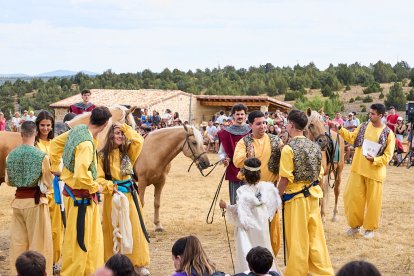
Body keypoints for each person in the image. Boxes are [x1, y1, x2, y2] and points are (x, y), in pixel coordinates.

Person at [49, 106, 112, 275]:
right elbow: (82, 176)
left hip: (74, 198)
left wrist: (56, 167)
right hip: (80, 201)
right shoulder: (86, 143)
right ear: (105, 124)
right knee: (78, 244)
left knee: (91, 243)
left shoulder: (78, 130)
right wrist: (96, 187)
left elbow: (54, 144)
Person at [278, 109, 333, 276]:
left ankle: (296, 272)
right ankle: (322, 271)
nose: (286, 125)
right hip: (313, 197)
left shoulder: (288, 149)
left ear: (292, 125)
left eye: (287, 123)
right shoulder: (315, 147)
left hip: (295, 199)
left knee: (297, 239)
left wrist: (276, 197)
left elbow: (285, 179)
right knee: (316, 237)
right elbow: (321, 172)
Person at [330, 103, 395, 239]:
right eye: (369, 113)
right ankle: (355, 226)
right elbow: (352, 137)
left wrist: (375, 160)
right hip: (358, 169)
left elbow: (388, 156)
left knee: (373, 202)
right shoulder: (363, 126)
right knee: (352, 198)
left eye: (373, 114)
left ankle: (370, 229)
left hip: (375, 173)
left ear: (381, 116)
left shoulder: (388, 133)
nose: (370, 115)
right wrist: (340, 129)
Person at [97, 122, 150, 275]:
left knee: (134, 228)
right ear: (110, 135)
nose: (120, 136)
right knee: (112, 229)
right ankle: (112, 263)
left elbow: (139, 140)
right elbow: (98, 179)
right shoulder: (101, 156)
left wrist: (126, 128)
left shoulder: (128, 153)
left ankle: (137, 263)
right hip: (112, 196)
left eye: (122, 134)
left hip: (129, 196)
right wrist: (112, 187)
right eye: (117, 133)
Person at [233, 110, 283, 259]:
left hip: (270, 191)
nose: (263, 126)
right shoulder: (244, 142)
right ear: (251, 125)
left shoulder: (276, 141)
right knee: (253, 227)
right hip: (251, 192)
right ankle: (253, 259)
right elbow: (237, 161)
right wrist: (248, 156)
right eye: (259, 123)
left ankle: (270, 258)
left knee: (272, 227)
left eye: (265, 123)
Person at [6, 121, 53, 276]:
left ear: (21, 134)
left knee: (18, 244)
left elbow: (9, 181)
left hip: (18, 202)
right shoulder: (41, 156)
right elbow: (48, 183)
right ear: (36, 133)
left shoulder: (11, 155)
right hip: (36, 202)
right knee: (39, 244)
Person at [219, 158, 282, 274]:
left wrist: (226, 206)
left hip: (248, 227)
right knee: (263, 245)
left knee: (246, 249)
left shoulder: (242, 191)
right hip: (262, 225)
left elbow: (240, 211)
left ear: (245, 174)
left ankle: (247, 272)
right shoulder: (266, 187)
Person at [35, 111, 63, 273]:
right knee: (41, 229)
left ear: (52, 126)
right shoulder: (34, 144)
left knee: (56, 229)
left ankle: (54, 260)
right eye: (42, 125)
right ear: (37, 126)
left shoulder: (55, 143)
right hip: (40, 192)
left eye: (48, 125)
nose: (45, 128)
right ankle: (40, 261)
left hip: (56, 191)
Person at [217, 104, 250, 204]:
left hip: (250, 170)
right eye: (237, 114)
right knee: (236, 201)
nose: (240, 116)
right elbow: (221, 152)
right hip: (233, 170)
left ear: (245, 116)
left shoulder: (251, 131)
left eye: (242, 114)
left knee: (249, 201)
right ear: (233, 116)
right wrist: (224, 159)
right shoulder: (226, 133)